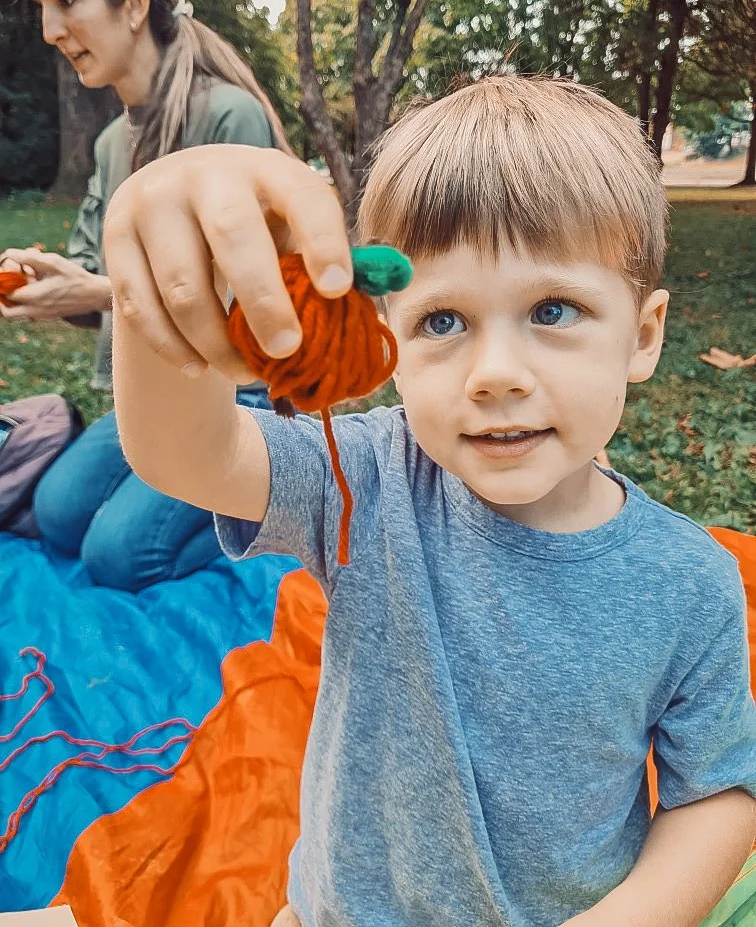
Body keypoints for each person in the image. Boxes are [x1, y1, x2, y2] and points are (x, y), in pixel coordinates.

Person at [103, 76, 755, 925]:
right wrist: (160, 274)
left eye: (553, 309)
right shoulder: (368, 479)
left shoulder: (690, 585)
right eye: (442, 321)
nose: (495, 375)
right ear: (390, 341)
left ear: (643, 334)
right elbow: (187, 454)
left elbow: (718, 791)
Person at [0, 0, 290, 591]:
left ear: (132, 3)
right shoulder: (110, 145)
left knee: (119, 555)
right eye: (40, 5)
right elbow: (93, 283)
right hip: (150, 394)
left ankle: (279, 495)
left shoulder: (229, 117)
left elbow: (250, 300)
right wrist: (54, 288)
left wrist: (98, 290)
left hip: (242, 392)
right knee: (58, 514)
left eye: (64, 1)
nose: (49, 30)